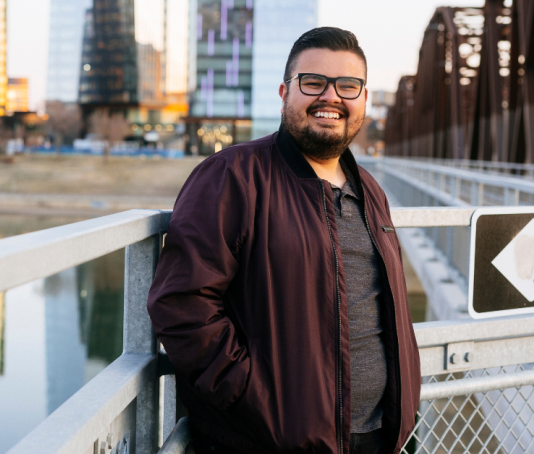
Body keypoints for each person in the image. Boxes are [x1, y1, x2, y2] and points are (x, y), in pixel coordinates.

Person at [146, 27, 421, 454]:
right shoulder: (232, 176)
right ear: (284, 92)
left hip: (378, 437)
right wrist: (252, 399)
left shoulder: (371, 191)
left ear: (365, 99)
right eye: (313, 82)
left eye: (348, 86)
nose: (330, 97)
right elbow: (182, 304)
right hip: (268, 441)